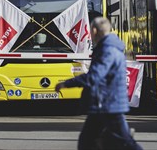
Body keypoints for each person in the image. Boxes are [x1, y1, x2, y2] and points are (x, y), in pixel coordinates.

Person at [55, 17, 143, 150]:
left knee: (125, 143)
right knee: (88, 142)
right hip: (104, 104)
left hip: (108, 105)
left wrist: (66, 84)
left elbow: (94, 76)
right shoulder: (108, 47)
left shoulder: (107, 50)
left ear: (95, 30)